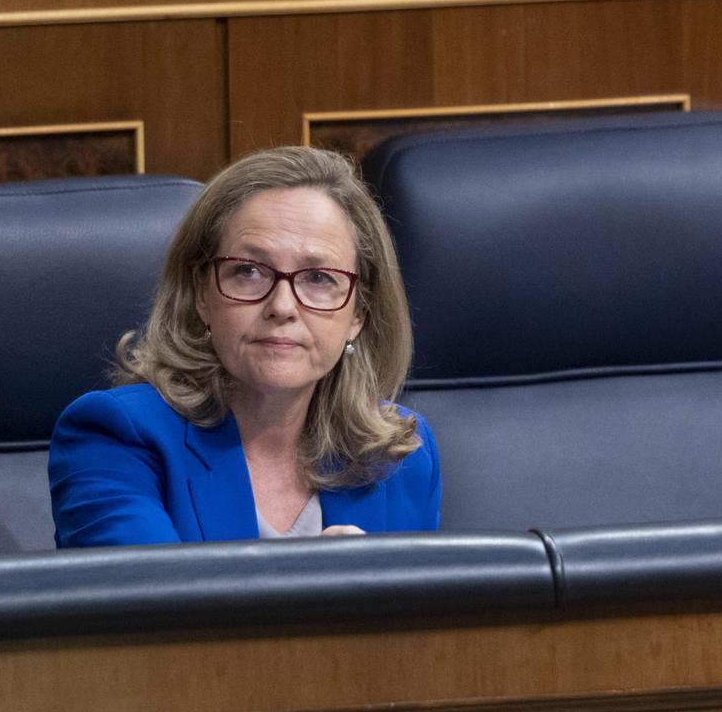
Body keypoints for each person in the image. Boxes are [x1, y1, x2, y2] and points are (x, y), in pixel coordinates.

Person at [49, 147, 440, 546]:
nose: (282, 307)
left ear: (358, 314)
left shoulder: (399, 456)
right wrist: (319, 584)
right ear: (202, 294)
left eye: (320, 278)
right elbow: (152, 601)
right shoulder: (116, 436)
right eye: (249, 271)